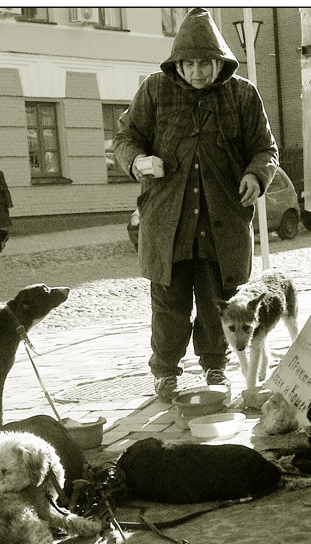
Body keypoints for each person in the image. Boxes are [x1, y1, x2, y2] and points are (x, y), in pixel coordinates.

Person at [114, 7, 278, 402]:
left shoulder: (242, 93)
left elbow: (265, 149)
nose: (198, 72)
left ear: (219, 61)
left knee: (215, 304)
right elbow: (125, 137)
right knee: (168, 306)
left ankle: (215, 370)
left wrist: (256, 176)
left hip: (222, 221)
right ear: (177, 63)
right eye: (189, 63)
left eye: (205, 63)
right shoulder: (155, 89)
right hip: (167, 223)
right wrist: (136, 161)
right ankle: (166, 373)